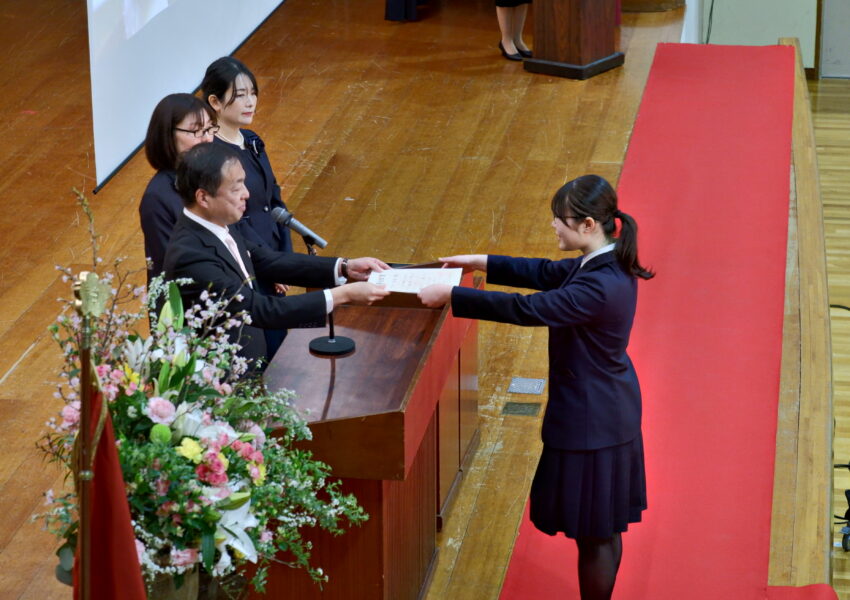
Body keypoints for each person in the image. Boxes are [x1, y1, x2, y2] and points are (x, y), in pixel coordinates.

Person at [418, 175, 652, 600]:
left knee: (596, 534)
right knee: (600, 529)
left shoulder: (599, 285)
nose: (553, 226)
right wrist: (480, 261)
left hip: (592, 424)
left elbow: (529, 308)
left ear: (587, 225)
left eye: (560, 219)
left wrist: (453, 295)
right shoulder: (601, 260)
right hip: (604, 410)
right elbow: (543, 272)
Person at [163, 142, 389, 371]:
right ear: (203, 198)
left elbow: (268, 261)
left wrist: (344, 267)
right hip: (224, 379)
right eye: (236, 188)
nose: (246, 194)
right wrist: (343, 294)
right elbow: (259, 309)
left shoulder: (218, 222)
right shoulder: (191, 256)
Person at [200, 56, 295, 357]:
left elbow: (275, 201)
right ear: (215, 102)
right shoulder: (211, 155)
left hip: (274, 265)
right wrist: (271, 266)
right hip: (249, 269)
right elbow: (231, 223)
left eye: (253, 93)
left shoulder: (252, 141)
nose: (250, 102)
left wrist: (286, 262)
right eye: (240, 95)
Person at [139, 93, 218, 284]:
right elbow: (177, 267)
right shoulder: (156, 198)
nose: (207, 138)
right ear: (168, 135)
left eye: (209, 129)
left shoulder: (210, 176)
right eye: (196, 131)